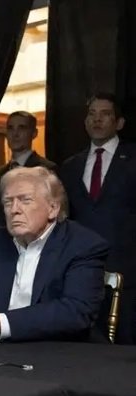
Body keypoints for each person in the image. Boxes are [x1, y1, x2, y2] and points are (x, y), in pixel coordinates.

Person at [0, 167, 109, 341]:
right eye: (8, 202)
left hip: (61, 348)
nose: (14, 210)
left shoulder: (83, 245)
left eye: (25, 200)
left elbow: (75, 311)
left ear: (53, 208)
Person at [60, 93, 136, 344]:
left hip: (128, 271)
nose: (97, 119)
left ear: (119, 123)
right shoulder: (70, 166)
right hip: (82, 271)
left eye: (105, 114)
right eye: (92, 114)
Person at [0, 111, 56, 230]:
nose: (15, 134)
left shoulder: (48, 170)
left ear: (34, 133)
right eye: (10, 128)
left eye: (21, 128)